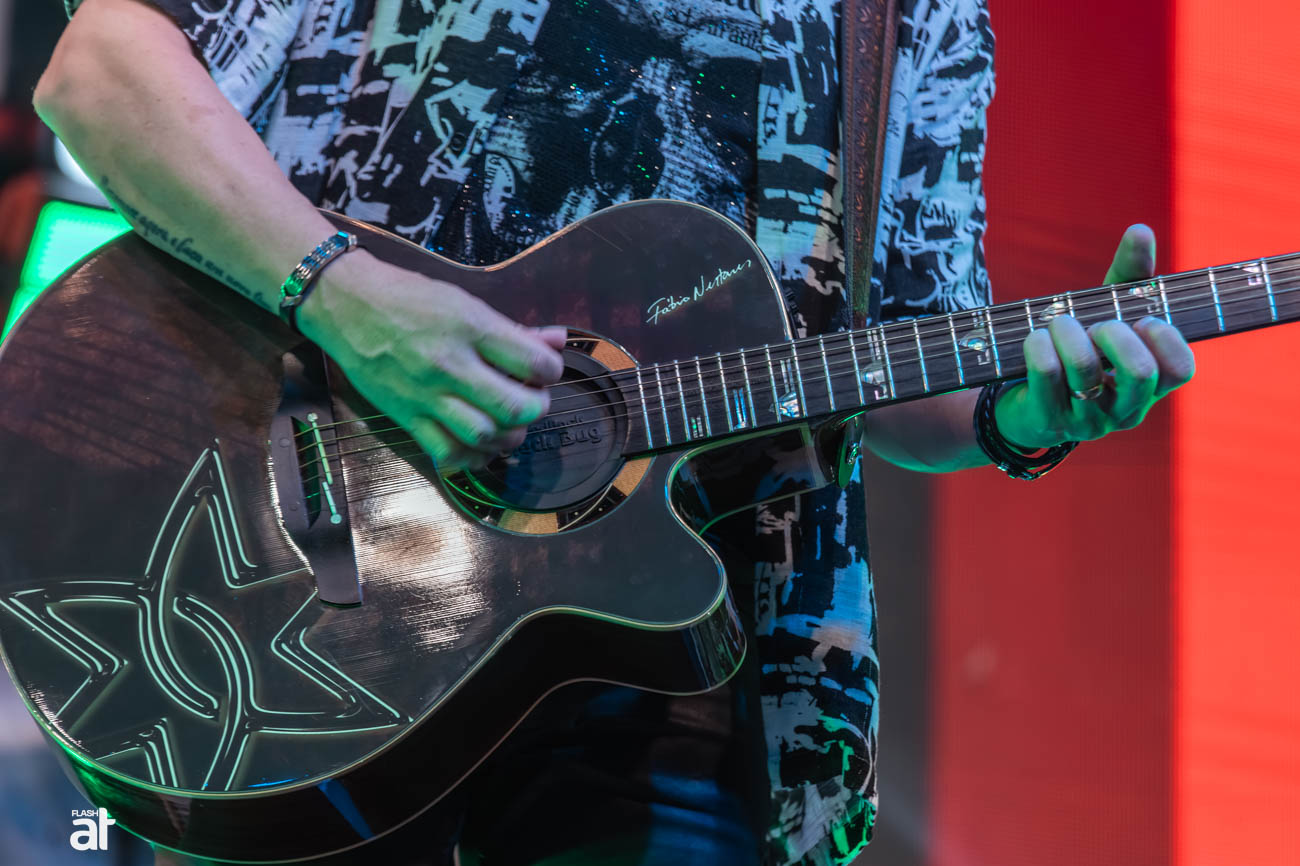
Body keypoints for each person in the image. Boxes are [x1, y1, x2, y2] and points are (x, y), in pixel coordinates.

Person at [33, 0, 1195, 863]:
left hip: (680, 654)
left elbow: (896, 354)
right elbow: (97, 71)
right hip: (300, 587)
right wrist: (348, 297)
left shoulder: (917, 16)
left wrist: (1018, 410)